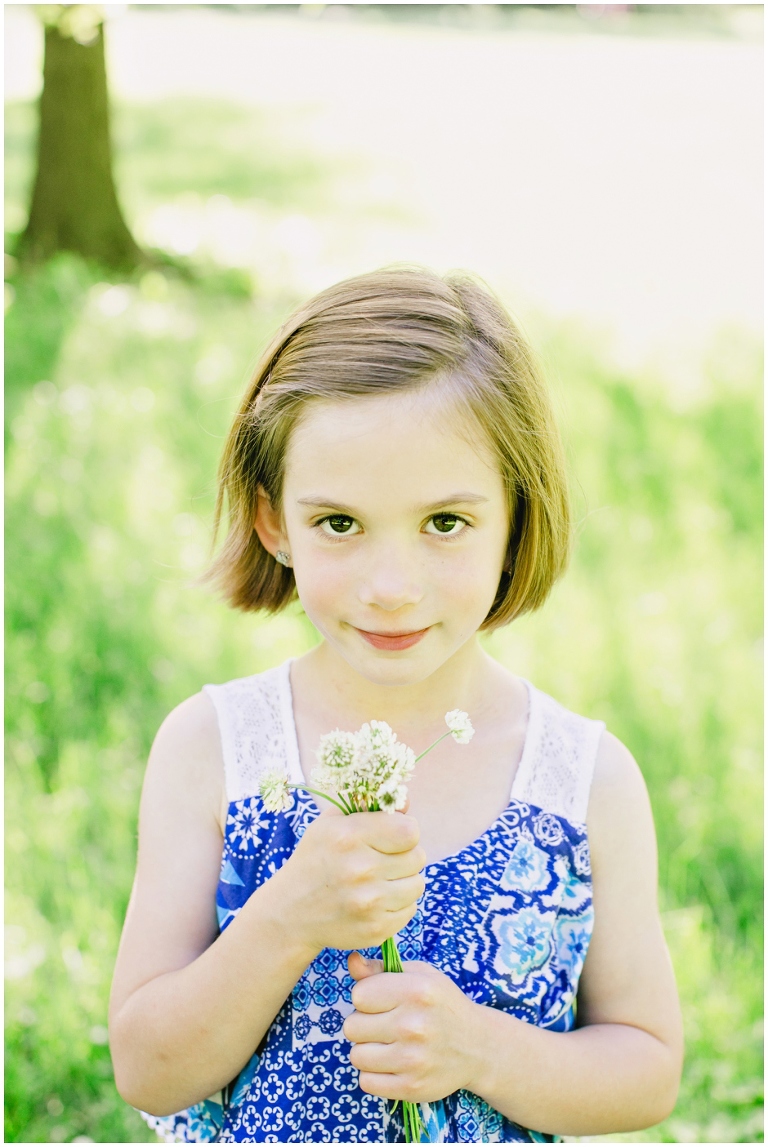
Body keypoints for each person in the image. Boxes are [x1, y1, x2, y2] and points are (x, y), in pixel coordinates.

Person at [109, 267, 683, 1144]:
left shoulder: (582, 779)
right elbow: (147, 1067)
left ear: (514, 521)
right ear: (274, 523)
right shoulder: (215, 748)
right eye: (339, 522)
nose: (389, 587)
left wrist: (481, 1051)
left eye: (445, 523)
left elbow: (645, 1069)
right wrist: (288, 917)